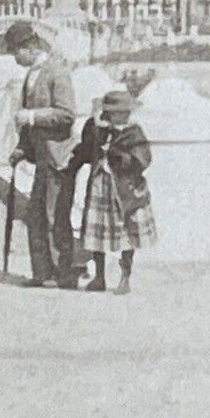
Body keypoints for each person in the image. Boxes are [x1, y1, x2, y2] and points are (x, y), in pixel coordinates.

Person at [6, 21, 79, 289]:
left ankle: (64, 274)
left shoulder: (56, 72)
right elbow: (29, 125)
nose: (14, 57)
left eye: (16, 51)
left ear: (29, 47)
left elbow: (66, 114)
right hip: (41, 158)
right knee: (36, 214)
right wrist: (21, 149)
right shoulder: (30, 76)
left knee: (55, 214)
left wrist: (33, 116)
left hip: (59, 157)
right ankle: (42, 273)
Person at [72, 87, 156, 294]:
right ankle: (99, 277)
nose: (123, 116)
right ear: (108, 112)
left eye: (126, 112)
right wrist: (95, 125)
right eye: (118, 112)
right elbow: (86, 147)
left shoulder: (133, 132)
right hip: (102, 183)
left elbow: (143, 159)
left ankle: (125, 276)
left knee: (127, 231)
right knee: (97, 232)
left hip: (125, 188)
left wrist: (118, 154)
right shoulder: (98, 130)